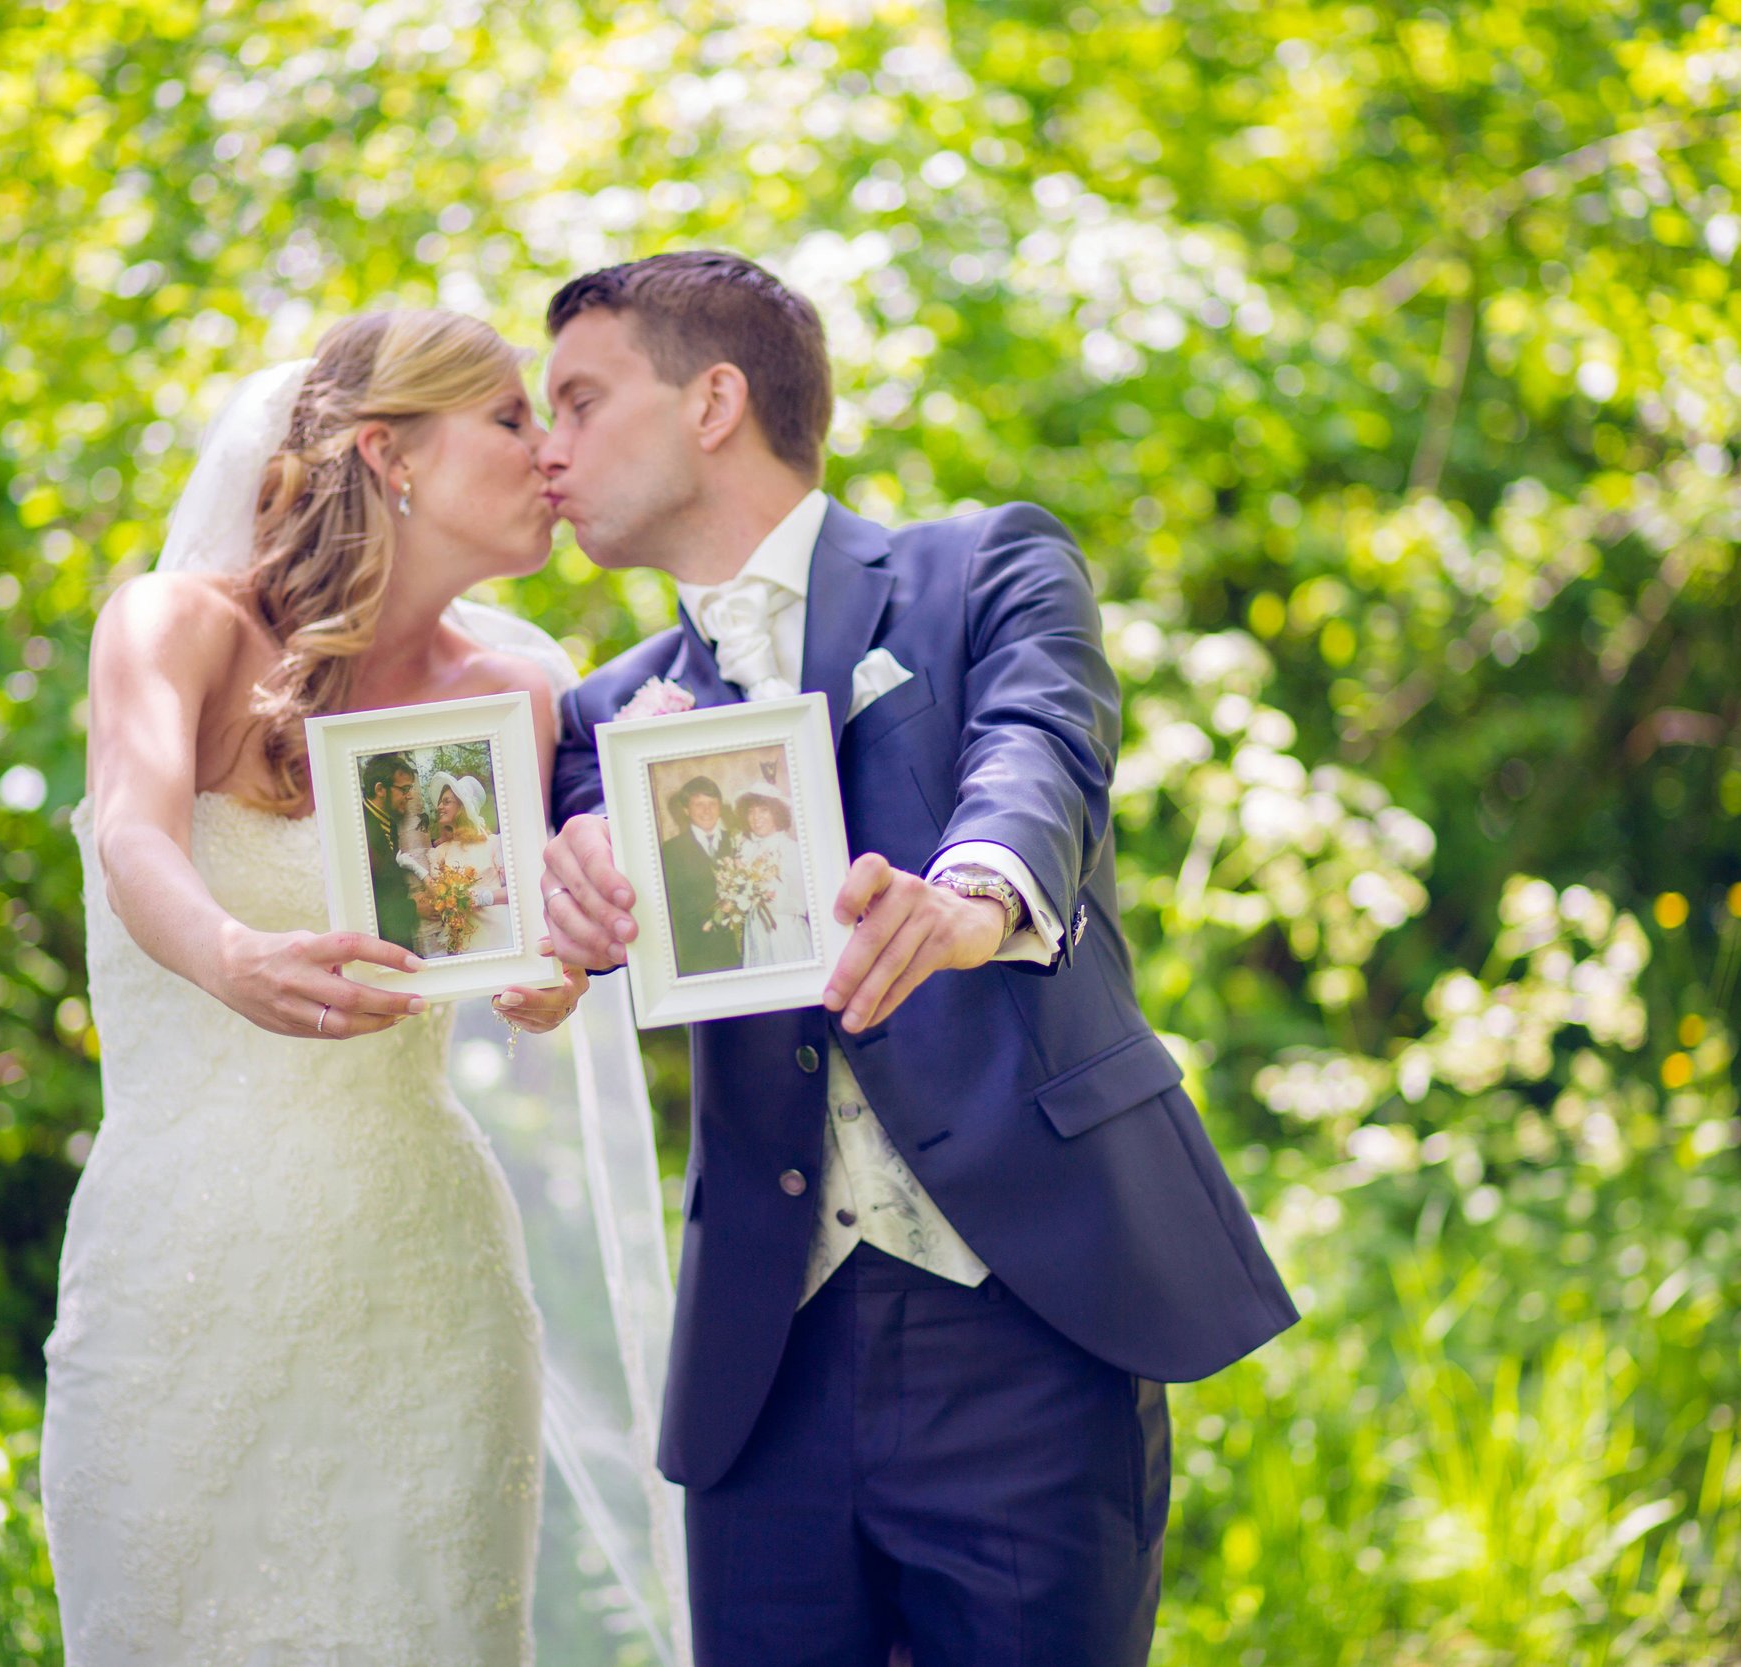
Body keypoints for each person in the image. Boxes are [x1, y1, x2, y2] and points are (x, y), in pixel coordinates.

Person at [536, 252, 1300, 1666]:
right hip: (765, 1363)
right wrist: (567, 894)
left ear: (714, 399)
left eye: (579, 401)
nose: (550, 449)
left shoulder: (987, 563)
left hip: (1032, 1316)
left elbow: (1040, 755)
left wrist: (966, 898)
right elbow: (567, 912)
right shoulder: (603, 712)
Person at [45, 309, 628, 1667]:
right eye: (511, 418)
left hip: (424, 1281)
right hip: (177, 1269)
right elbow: (134, 837)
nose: (553, 453)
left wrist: (549, 986)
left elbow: (513, 962)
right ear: (389, 451)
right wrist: (231, 953)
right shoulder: (172, 627)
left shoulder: (522, 692)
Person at [421, 769, 512, 956]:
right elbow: (438, 894)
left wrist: (483, 897)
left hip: (499, 935)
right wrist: (417, 870)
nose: (439, 806)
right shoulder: (440, 851)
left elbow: (518, 892)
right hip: (465, 941)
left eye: (446, 801)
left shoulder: (493, 843)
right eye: (440, 802)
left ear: (462, 807)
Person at [658, 775, 743, 975]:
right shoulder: (671, 850)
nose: (707, 811)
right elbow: (673, 905)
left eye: (712, 803)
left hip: (741, 947)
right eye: (699, 804)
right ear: (686, 810)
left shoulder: (738, 840)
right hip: (698, 951)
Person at [731, 787, 812, 968]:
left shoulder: (791, 849)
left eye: (763, 810)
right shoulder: (746, 849)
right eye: (751, 811)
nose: (756, 817)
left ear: (777, 813)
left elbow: (801, 904)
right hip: (755, 928)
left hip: (783, 930)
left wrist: (764, 897)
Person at [362, 753, 424, 951]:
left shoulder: (388, 822)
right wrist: (414, 909)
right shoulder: (360, 829)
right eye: (404, 789)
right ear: (380, 789)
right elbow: (366, 902)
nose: (410, 795)